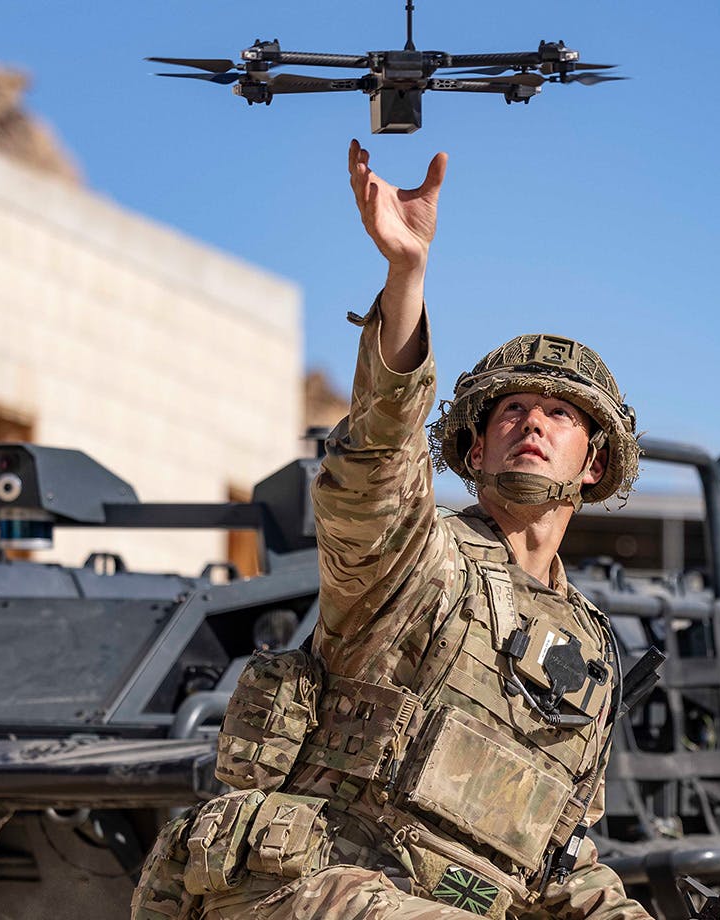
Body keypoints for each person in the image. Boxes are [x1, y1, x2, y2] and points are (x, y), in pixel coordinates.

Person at [131, 142, 651, 920]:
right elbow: (374, 469)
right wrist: (406, 276)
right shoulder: (419, 563)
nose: (532, 423)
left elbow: (563, 856)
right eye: (511, 411)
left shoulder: (592, 654)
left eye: (559, 414)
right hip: (310, 890)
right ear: (476, 450)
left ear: (594, 464)